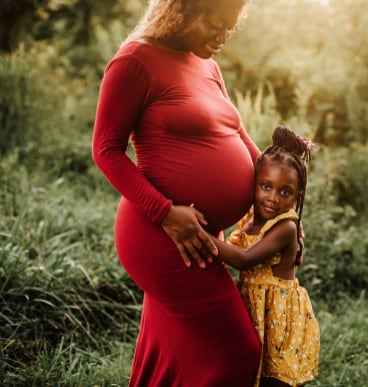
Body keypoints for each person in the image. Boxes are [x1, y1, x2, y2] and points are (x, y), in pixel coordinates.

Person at [91, 0, 262, 385]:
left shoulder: (208, 66)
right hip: (161, 235)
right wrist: (165, 213)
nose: (222, 38)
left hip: (201, 236)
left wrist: (283, 208)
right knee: (238, 353)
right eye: (214, 25)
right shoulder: (135, 60)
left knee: (168, 355)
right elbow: (105, 149)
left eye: (229, 29)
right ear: (182, 11)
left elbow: (239, 137)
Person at [205, 126, 320, 387]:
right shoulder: (251, 218)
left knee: (275, 379)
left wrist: (200, 236)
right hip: (256, 311)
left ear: (297, 197)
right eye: (266, 186)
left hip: (279, 318)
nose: (272, 198)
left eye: (285, 192)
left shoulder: (285, 227)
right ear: (255, 183)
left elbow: (243, 259)